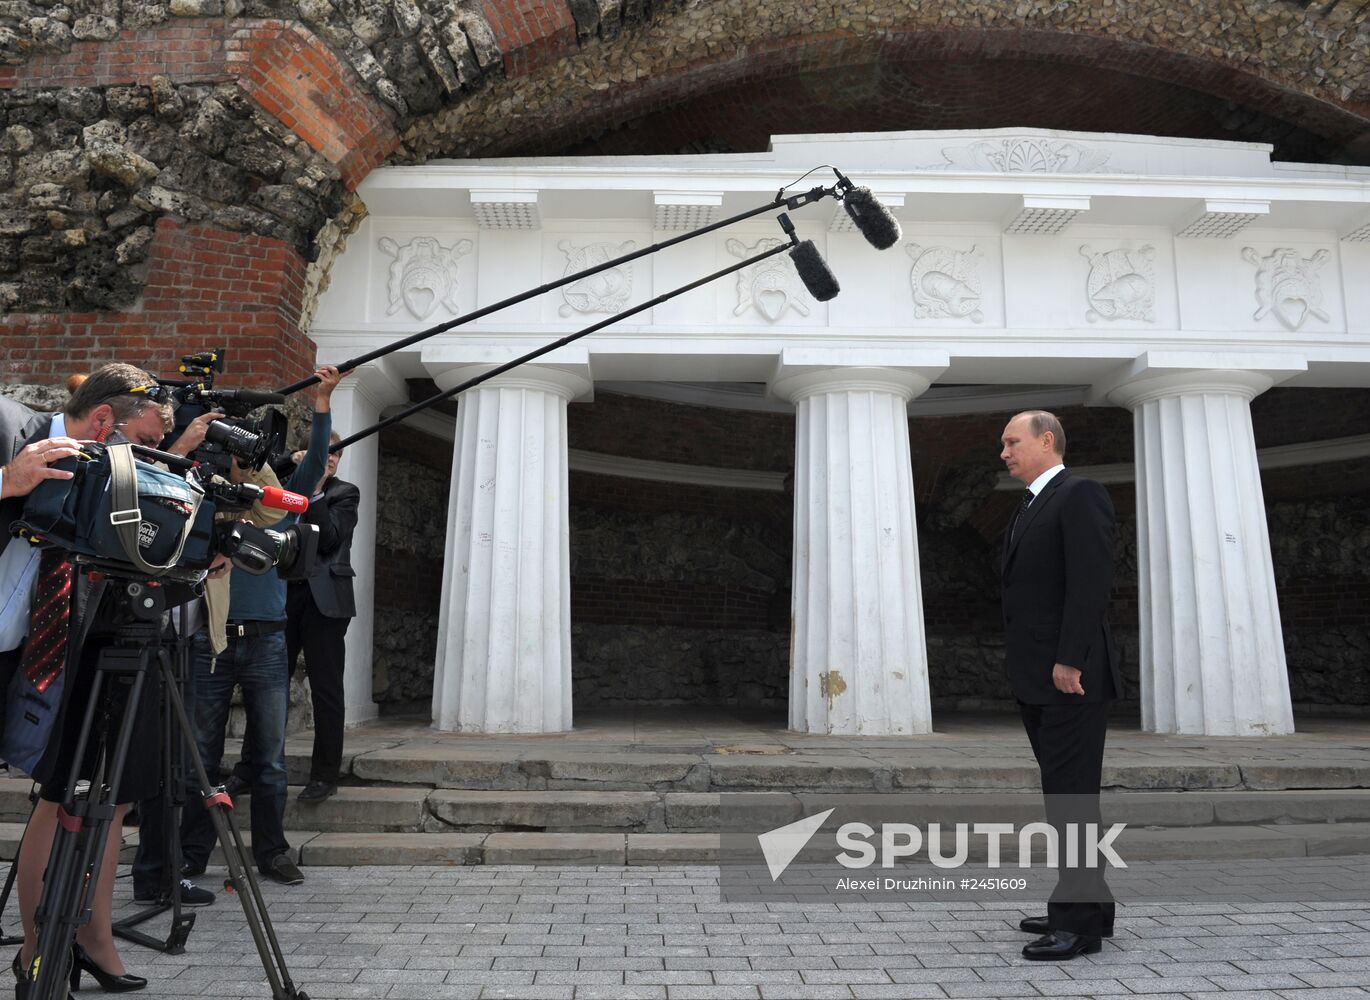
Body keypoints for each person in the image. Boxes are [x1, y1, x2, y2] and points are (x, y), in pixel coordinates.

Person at [0, 364, 178, 994]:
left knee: (90, 795)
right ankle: (42, 953)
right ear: (104, 421)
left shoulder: (109, 476)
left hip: (48, 656)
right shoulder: (7, 427)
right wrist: (5, 481)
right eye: (148, 444)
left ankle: (78, 945)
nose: (153, 457)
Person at [180, 365, 343, 886]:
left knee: (270, 758)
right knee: (203, 755)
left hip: (267, 639)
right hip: (211, 638)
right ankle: (192, 852)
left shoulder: (276, 502)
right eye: (229, 453)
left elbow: (317, 461)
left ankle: (271, 852)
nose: (236, 462)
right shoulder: (200, 496)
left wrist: (322, 401)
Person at [998, 409, 1123, 962]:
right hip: (1039, 677)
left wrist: (1070, 659)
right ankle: (1084, 908)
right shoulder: (1030, 504)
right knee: (1064, 799)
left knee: (1072, 800)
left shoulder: (1080, 494)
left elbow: (1091, 582)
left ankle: (1079, 928)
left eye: (1012, 442)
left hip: (1069, 678)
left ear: (1046, 441)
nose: (1004, 452)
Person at [230, 433, 359, 804]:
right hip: (281, 597)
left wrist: (315, 491)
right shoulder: (282, 486)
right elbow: (260, 476)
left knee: (326, 690)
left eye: (337, 454)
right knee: (266, 686)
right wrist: (294, 462)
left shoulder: (343, 493)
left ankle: (324, 775)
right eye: (325, 453)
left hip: (324, 602)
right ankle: (249, 769)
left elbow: (331, 538)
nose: (331, 459)